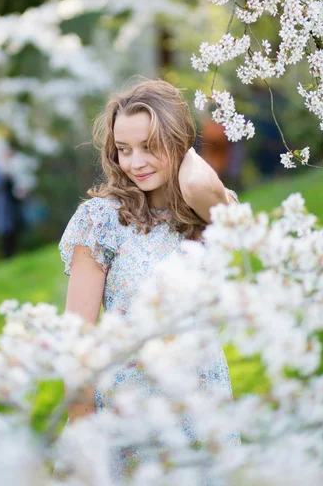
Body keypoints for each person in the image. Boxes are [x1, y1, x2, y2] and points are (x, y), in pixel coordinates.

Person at [58, 79, 240, 482]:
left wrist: (182, 154)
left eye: (149, 146)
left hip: (203, 412)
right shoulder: (100, 220)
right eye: (123, 149)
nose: (134, 162)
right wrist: (84, 434)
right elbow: (78, 342)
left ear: (177, 142)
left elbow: (198, 184)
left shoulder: (209, 212)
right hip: (127, 419)